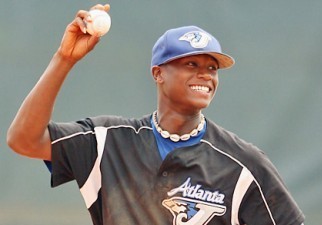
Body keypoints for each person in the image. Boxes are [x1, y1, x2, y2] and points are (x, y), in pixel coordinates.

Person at [7, 3, 305, 225]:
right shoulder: (107, 142)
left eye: (211, 68)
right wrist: (64, 59)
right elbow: (23, 140)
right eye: (191, 65)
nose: (206, 75)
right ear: (158, 73)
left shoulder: (243, 164)